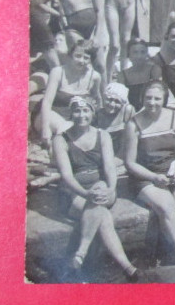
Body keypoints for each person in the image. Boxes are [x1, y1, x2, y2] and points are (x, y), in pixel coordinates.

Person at [52, 96, 140, 280]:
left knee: (99, 189)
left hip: (102, 188)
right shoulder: (61, 139)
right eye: (77, 110)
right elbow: (66, 175)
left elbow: (109, 167)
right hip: (75, 191)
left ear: (92, 113)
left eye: (86, 110)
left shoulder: (103, 135)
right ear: (71, 113)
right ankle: (127, 266)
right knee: (102, 214)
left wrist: (111, 188)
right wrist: (85, 193)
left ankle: (80, 253)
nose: (81, 115)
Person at [124, 82, 175, 265]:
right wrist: (153, 177)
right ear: (142, 99)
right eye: (148, 98)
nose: (152, 102)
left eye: (157, 98)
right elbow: (130, 163)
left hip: (173, 171)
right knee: (166, 205)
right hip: (146, 177)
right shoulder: (134, 124)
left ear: (164, 100)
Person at [32, 0, 108, 81]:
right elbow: (38, 2)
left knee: (100, 65)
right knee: (80, 63)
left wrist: (98, 34)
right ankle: (80, 93)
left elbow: (100, 10)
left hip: (93, 29)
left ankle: (103, 96)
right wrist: (58, 14)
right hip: (73, 29)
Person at [36, 38, 103, 149]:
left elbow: (97, 99)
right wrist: (45, 128)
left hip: (76, 117)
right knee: (66, 128)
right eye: (78, 56)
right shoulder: (58, 72)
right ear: (71, 55)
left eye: (86, 58)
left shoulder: (94, 77)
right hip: (50, 115)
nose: (81, 60)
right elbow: (47, 102)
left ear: (91, 60)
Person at [93, 82, 135, 158]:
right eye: (109, 99)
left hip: (124, 155)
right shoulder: (97, 115)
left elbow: (132, 140)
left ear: (123, 103)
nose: (112, 104)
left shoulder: (127, 111)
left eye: (117, 101)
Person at [119, 39, 160, 111]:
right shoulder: (122, 75)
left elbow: (157, 94)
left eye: (143, 52)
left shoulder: (154, 70)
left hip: (151, 109)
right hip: (131, 112)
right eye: (135, 52)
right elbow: (122, 99)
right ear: (129, 54)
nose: (139, 56)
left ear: (147, 54)